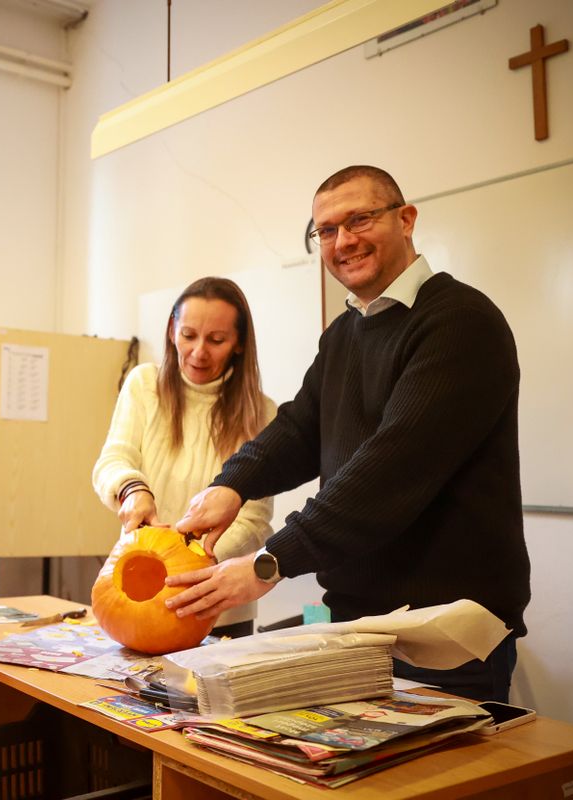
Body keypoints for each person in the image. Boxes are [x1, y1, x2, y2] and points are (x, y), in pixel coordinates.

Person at [166, 166, 531, 703]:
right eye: (327, 230)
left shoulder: (459, 323)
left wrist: (272, 562)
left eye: (360, 219)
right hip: (357, 627)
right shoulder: (345, 333)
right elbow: (299, 429)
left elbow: (389, 471)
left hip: (446, 639)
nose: (344, 241)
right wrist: (232, 485)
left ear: (406, 220)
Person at [92, 277, 277, 638]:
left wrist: (184, 560)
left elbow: (253, 519)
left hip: (220, 609)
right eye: (189, 335)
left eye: (217, 340)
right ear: (172, 330)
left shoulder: (262, 412)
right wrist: (132, 490)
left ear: (239, 344)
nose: (199, 352)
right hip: (139, 603)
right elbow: (113, 459)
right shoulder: (143, 385)